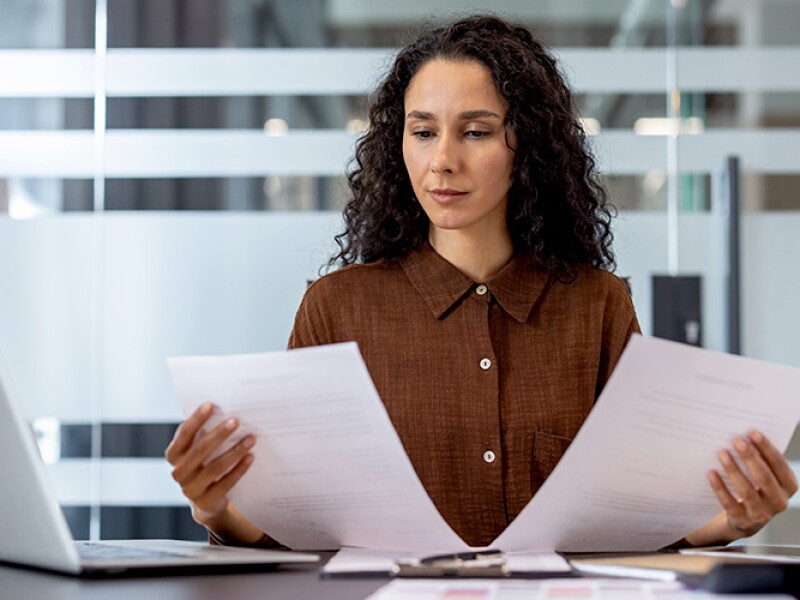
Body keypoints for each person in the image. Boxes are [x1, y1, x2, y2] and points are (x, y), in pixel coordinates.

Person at [165, 15, 797, 550]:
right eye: (422, 132)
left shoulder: (596, 304)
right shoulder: (337, 307)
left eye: (475, 131)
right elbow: (293, 535)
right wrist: (215, 507)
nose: (443, 159)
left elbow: (636, 527)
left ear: (527, 147)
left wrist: (731, 520)